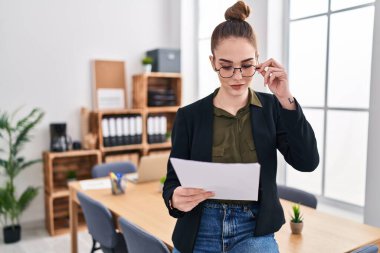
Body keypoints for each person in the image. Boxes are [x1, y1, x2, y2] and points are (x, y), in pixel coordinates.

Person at [162, 1, 319, 253]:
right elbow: (173, 181)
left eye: (247, 66)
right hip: (200, 227)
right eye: (226, 66)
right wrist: (174, 199)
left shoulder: (273, 108)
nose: (237, 76)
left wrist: (285, 98)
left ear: (258, 60)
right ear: (213, 62)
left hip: (254, 228)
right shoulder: (189, 116)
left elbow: (307, 161)